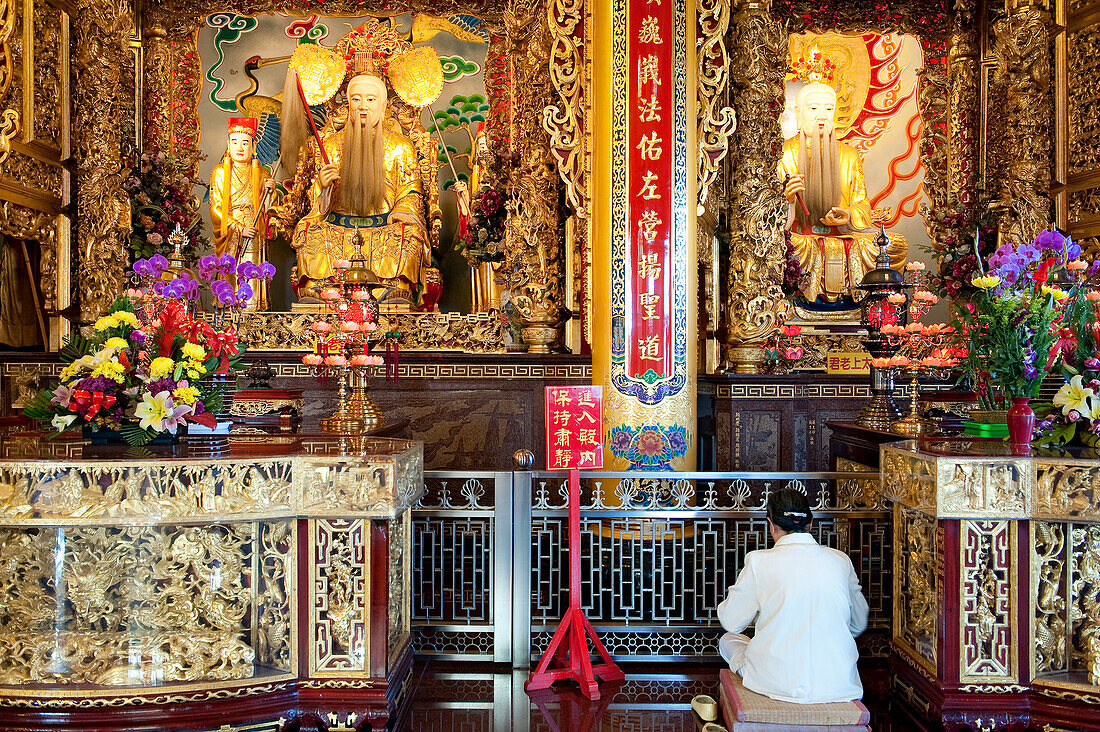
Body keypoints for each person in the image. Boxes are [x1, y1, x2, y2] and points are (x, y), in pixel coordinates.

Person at [274, 73, 435, 308]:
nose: (363, 106)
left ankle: (393, 290)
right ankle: (321, 291)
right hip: (337, 224)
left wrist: (400, 213)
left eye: (370, 100)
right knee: (309, 232)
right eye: (356, 99)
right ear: (348, 104)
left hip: (385, 224)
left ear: (382, 106)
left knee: (408, 235)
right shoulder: (330, 146)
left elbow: (411, 192)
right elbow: (315, 203)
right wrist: (324, 186)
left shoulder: (401, 147)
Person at [717, 487, 869, 704]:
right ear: (811, 522)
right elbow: (858, 623)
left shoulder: (759, 561)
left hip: (775, 681)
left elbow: (731, 622)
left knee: (728, 640)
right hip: (838, 682)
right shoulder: (840, 560)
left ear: (771, 524)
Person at [778, 82, 906, 303]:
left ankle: (870, 306)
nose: (822, 115)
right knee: (779, 247)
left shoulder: (849, 155)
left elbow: (861, 203)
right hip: (801, 236)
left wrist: (848, 215)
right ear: (799, 113)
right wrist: (787, 199)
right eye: (813, 108)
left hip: (843, 233)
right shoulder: (784, 153)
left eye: (828, 108)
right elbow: (770, 216)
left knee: (896, 244)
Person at [208, 117, 278, 307]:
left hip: (255, 226)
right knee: (232, 265)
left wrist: (270, 193)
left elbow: (269, 209)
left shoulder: (262, 173)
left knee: (253, 266)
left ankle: (254, 307)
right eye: (235, 142)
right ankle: (229, 307)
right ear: (228, 144)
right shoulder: (220, 172)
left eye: (245, 143)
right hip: (233, 228)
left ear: (253, 146)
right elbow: (216, 208)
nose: (240, 147)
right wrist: (238, 227)